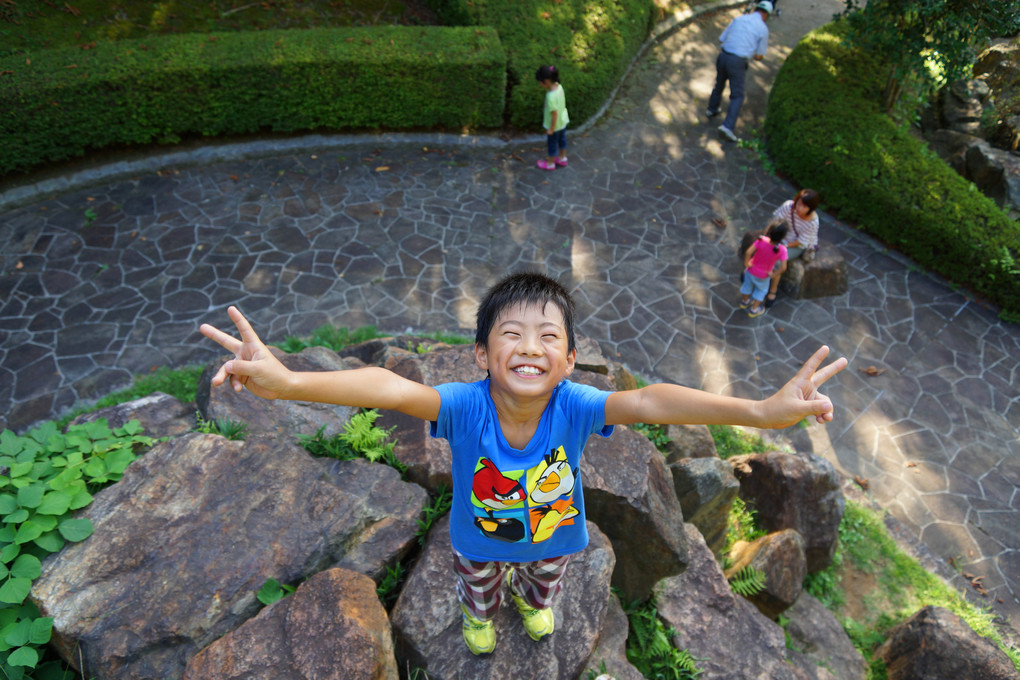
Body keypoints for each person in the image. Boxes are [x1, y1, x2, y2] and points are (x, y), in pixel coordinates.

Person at [199, 272, 846, 656]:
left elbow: (650, 398)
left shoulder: (578, 405)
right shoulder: (462, 407)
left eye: (549, 337)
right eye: (511, 333)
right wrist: (289, 384)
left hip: (555, 536)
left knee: (546, 586)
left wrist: (760, 412)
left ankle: (533, 602)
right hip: (477, 539)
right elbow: (390, 389)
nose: (530, 347)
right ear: (481, 354)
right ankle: (480, 616)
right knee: (477, 587)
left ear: (568, 361)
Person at [706, 0, 772, 142]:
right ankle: (727, 127)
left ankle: (712, 109)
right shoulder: (763, 29)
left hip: (723, 56)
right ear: (766, 14)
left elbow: (721, 39)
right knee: (737, 95)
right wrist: (751, 53)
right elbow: (760, 55)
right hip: (737, 62)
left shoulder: (738, 18)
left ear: (756, 9)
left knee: (719, 83)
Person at [766, 188, 821, 305]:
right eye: (799, 204)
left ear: (811, 208)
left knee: (777, 261)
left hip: (796, 245)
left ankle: (772, 290)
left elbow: (801, 241)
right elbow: (776, 222)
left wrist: (784, 245)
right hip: (781, 237)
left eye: (805, 206)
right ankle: (754, 274)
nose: (800, 208)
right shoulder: (788, 207)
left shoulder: (812, 222)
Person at [740, 221, 788, 318]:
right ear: (783, 237)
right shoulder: (782, 250)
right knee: (761, 291)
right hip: (764, 275)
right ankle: (754, 310)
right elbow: (783, 267)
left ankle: (744, 302)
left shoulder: (761, 240)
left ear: (769, 230)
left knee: (747, 286)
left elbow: (748, 252)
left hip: (751, 270)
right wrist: (773, 275)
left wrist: (747, 264)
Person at [536, 65, 570, 171]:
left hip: (554, 126)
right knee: (562, 141)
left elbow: (554, 113)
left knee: (552, 144)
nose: (539, 84)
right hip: (562, 121)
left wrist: (551, 128)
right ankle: (562, 158)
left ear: (546, 81)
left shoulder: (550, 96)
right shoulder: (559, 87)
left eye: (540, 82)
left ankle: (550, 163)